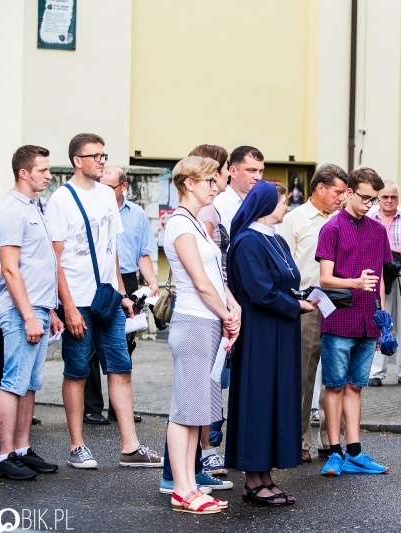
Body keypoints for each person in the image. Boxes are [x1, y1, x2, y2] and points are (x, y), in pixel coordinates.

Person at [45, 133, 162, 469]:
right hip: (78, 300)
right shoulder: (61, 201)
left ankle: (130, 446)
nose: (101, 160)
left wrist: (122, 294)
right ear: (77, 161)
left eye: (103, 154)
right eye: (94, 155)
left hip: (108, 297)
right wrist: (67, 306)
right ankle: (77, 445)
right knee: (78, 370)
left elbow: (111, 251)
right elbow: (56, 260)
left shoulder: (108, 198)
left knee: (121, 368)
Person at [226, 180, 316, 504]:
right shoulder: (248, 241)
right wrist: (297, 306)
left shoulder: (275, 238)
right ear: (265, 205)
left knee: (277, 398)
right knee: (259, 399)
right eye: (282, 203)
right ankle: (253, 480)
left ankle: (266, 476)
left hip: (281, 329)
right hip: (260, 332)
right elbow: (260, 291)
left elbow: (287, 281)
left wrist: (305, 297)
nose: (287, 208)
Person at [163, 156, 240, 513]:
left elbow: (217, 279)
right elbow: (200, 282)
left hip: (207, 321)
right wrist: (227, 314)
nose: (216, 185)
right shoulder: (180, 224)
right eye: (209, 180)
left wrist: (232, 307)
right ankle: (181, 489)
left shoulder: (195, 222)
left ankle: (190, 485)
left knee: (198, 410)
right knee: (185, 410)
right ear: (188, 183)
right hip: (194, 322)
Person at [0, 145, 63, 480]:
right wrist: (29, 315)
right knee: (13, 382)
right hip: (21, 310)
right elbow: (10, 270)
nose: (48, 176)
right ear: (24, 172)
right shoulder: (11, 211)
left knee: (30, 384)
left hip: (37, 306)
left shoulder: (37, 207)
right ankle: (4, 456)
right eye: (43, 170)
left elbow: (40, 264)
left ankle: (22, 449)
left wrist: (48, 310)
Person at [316, 167, 392, 477]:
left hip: (368, 321)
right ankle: (335, 453)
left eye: (373, 200)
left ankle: (355, 452)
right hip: (338, 320)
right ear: (348, 192)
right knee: (334, 387)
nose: (369, 205)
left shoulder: (378, 231)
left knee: (355, 387)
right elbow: (324, 278)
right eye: (364, 198)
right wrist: (354, 283)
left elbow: (381, 279)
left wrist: (383, 320)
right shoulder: (331, 228)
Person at [277, 163, 348, 463]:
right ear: (320, 188)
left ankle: (330, 441)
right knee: (304, 373)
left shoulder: (345, 220)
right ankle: (300, 439)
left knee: (337, 375)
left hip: (339, 303)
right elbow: (285, 266)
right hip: (307, 304)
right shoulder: (294, 220)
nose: (342, 198)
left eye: (345, 193)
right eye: (338, 191)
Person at [83, 166, 159, 426]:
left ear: (123, 187)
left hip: (127, 279)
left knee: (124, 345)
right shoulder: (92, 209)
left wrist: (151, 281)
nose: (103, 189)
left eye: (110, 186)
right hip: (98, 281)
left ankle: (119, 408)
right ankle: (92, 407)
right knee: (92, 345)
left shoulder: (137, 215)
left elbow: (143, 253)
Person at [188, 144, 232, 479]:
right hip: (201, 315)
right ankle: (203, 455)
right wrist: (227, 312)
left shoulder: (209, 211)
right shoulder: (202, 216)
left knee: (208, 388)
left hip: (213, 310)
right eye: (225, 168)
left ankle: (198, 461)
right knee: (201, 391)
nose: (226, 175)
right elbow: (204, 279)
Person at [367, 180, 401, 387]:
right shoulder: (370, 218)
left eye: (394, 197)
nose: (389, 200)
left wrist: (388, 255)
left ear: (398, 198)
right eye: (385, 197)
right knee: (380, 321)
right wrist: (387, 257)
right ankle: (376, 373)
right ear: (378, 198)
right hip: (377, 276)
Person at [212, 146, 264, 233]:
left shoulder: (262, 203)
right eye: (251, 170)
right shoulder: (218, 204)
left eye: (261, 171)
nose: (258, 177)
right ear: (233, 171)